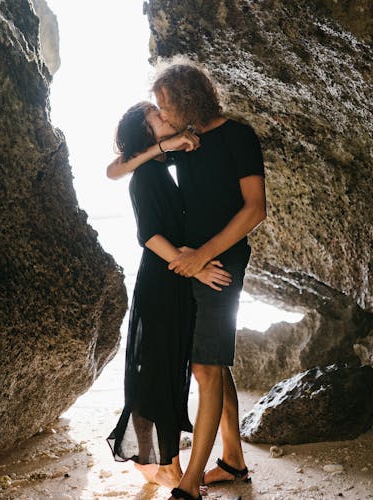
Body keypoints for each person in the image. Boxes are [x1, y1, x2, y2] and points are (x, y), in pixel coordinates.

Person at [105, 101, 233, 490]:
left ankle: (182, 460)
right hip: (163, 280)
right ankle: (159, 463)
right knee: (157, 375)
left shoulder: (163, 167)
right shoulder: (146, 174)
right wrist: (197, 264)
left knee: (175, 371)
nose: (164, 115)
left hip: (176, 278)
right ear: (146, 133)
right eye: (155, 117)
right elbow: (149, 235)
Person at [154, 61, 267, 500]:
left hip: (221, 266)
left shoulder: (239, 137)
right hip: (190, 264)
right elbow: (120, 164)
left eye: (166, 104)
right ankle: (234, 461)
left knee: (204, 368)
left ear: (188, 98)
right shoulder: (184, 142)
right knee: (213, 362)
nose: (163, 113)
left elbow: (255, 208)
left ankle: (190, 483)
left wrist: (203, 255)